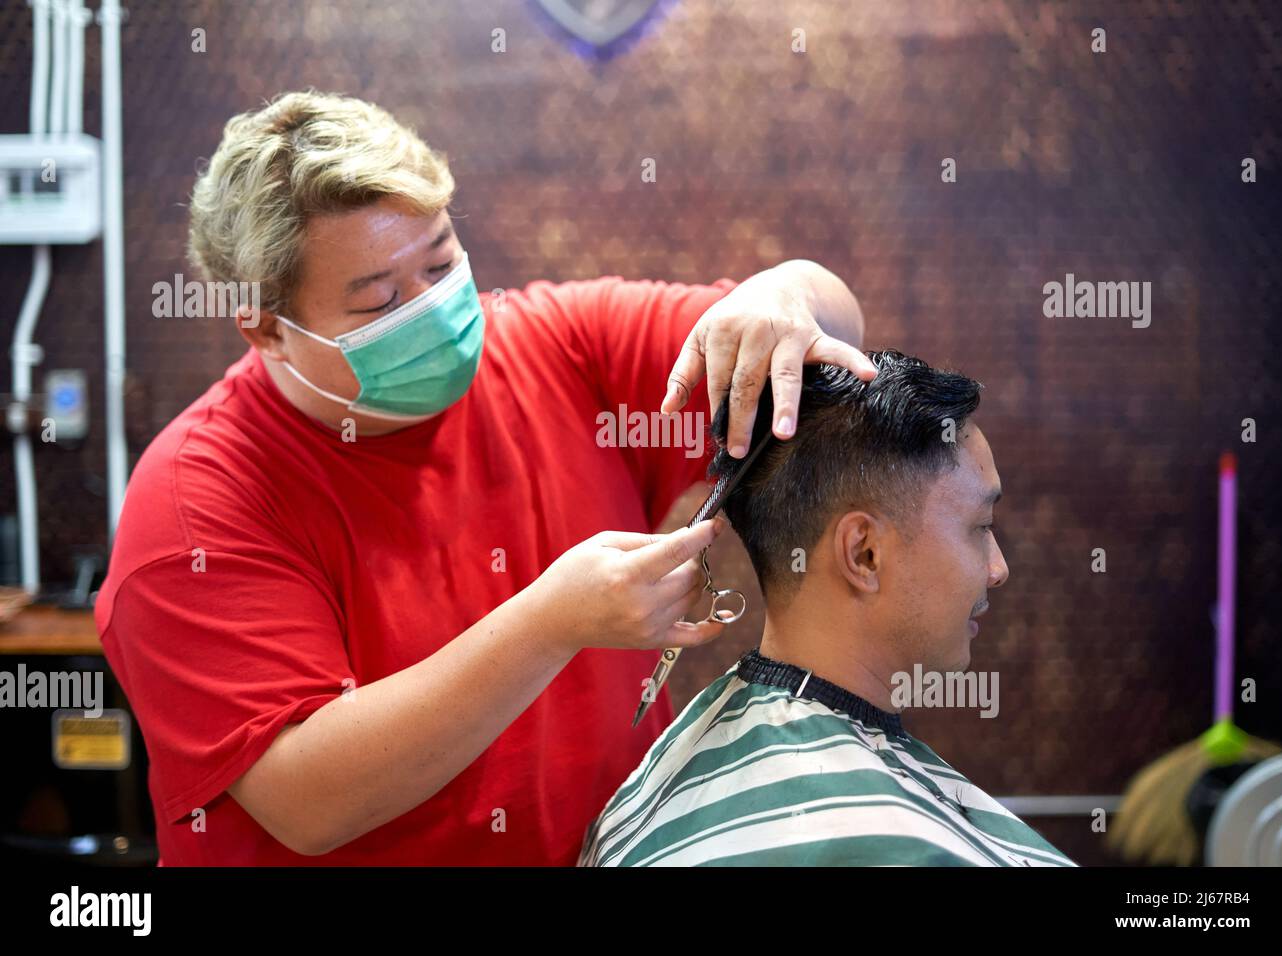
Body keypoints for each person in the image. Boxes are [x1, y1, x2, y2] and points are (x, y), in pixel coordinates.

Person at [94, 90, 876, 865]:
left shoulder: (560, 348)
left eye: (440, 262)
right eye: (380, 302)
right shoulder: (198, 502)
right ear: (266, 326)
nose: (433, 310)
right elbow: (310, 800)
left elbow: (815, 328)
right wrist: (551, 622)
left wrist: (787, 293)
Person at [579, 352, 1077, 866]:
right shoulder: (901, 851)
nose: (998, 569)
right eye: (981, 526)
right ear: (864, 553)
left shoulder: (645, 787)